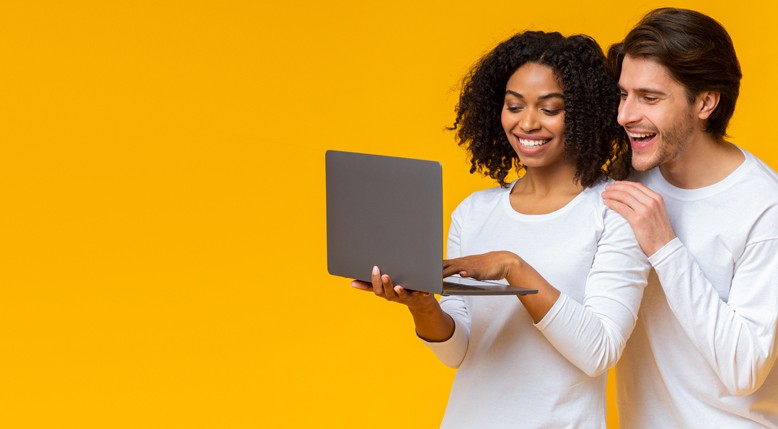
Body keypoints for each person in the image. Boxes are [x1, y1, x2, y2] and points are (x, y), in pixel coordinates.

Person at [350, 31, 650, 428]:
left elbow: (599, 351)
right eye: (514, 106)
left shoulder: (615, 210)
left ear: (582, 113)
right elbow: (458, 352)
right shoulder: (473, 213)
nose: (527, 123)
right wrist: (422, 305)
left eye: (549, 109)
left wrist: (513, 267)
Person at [602, 8, 778, 428]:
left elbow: (744, 369)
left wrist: (664, 246)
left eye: (649, 97)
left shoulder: (764, 206)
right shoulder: (627, 175)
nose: (626, 115)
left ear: (706, 102)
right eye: (624, 94)